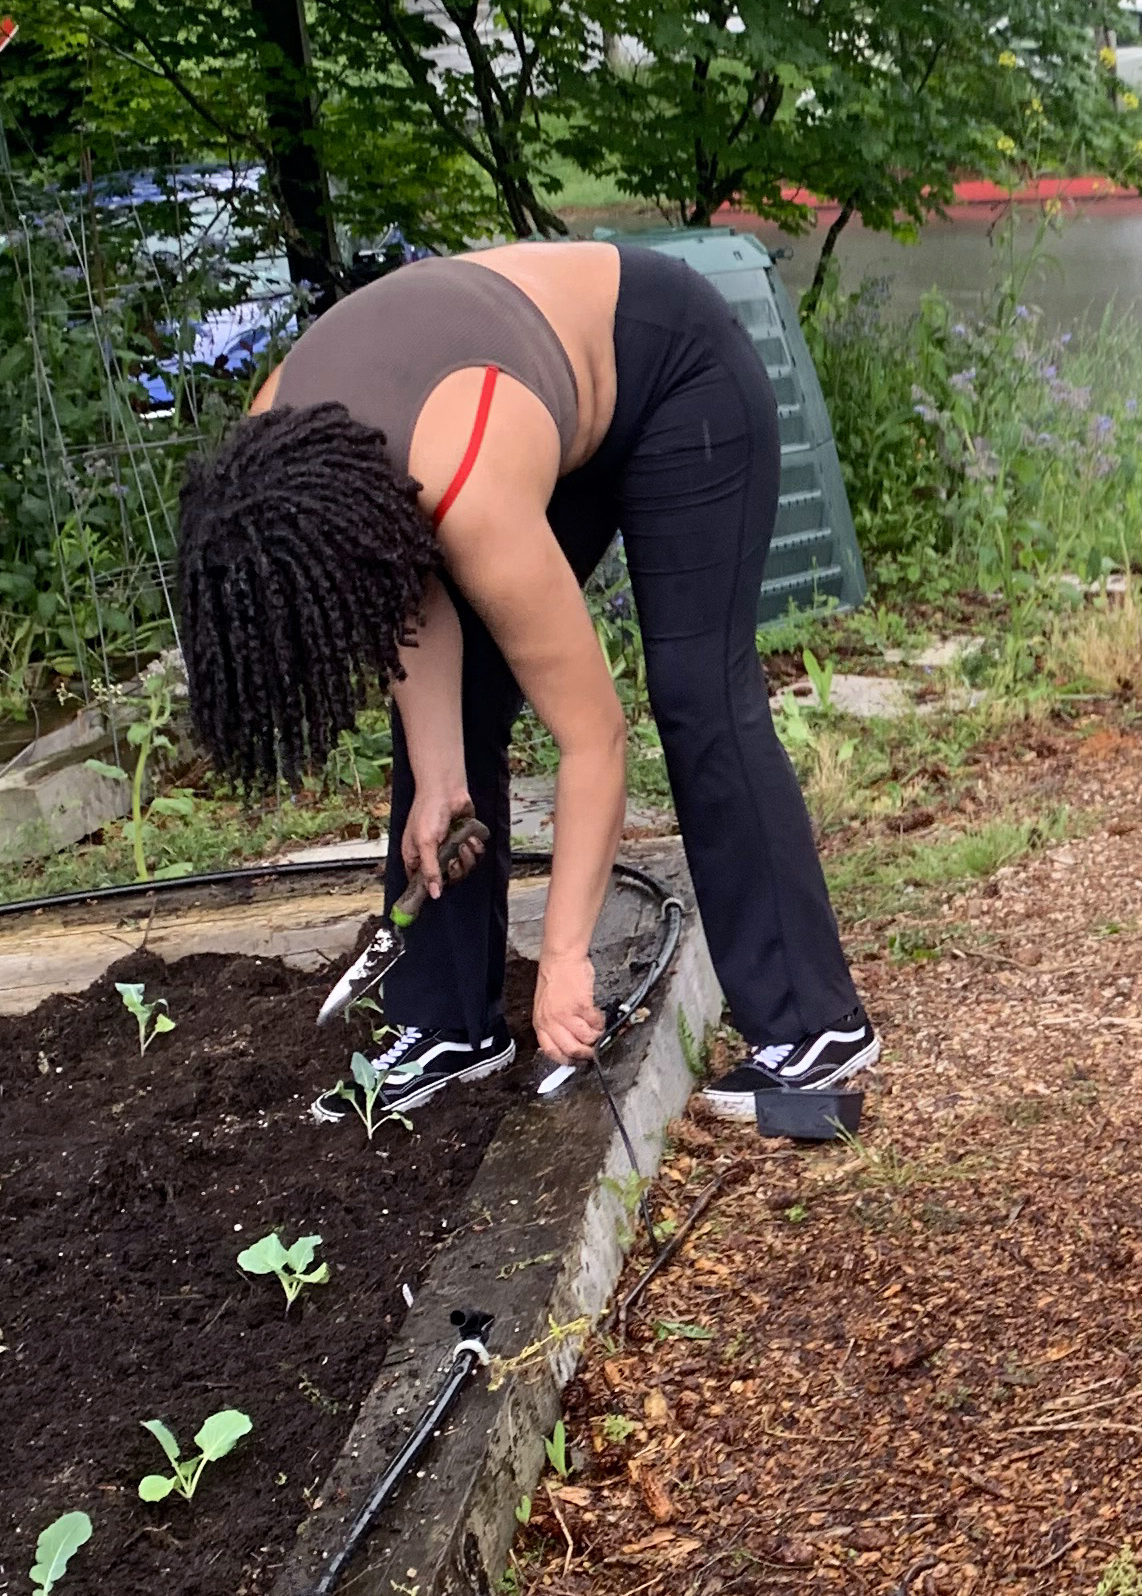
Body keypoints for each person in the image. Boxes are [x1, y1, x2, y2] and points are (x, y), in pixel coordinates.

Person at [175, 237, 878, 1130]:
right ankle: (448, 1026)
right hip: (521, 406)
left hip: (673, 377)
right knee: (453, 711)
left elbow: (593, 739)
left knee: (700, 694)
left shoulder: (467, 487)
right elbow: (406, 580)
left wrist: (565, 958)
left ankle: (812, 1028)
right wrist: (437, 776)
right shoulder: (273, 443)